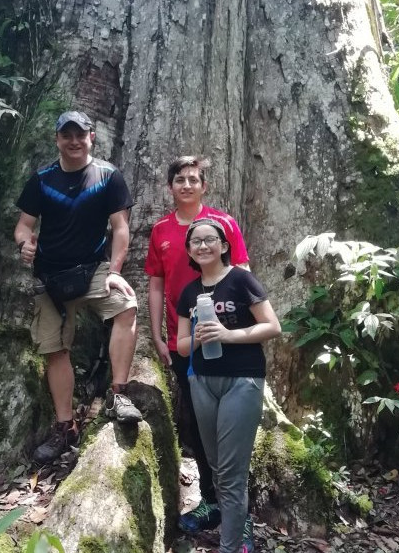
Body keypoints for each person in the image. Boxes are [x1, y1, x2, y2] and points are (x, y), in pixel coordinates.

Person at [14, 110, 142, 466]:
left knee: (126, 307)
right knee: (55, 348)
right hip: (50, 275)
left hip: (93, 269)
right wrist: (25, 242)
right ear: (57, 139)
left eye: (80, 135)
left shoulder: (107, 176)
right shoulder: (42, 179)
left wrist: (115, 271)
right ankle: (65, 426)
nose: (73, 141)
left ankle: (118, 394)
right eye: (66, 135)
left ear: (91, 138)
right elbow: (23, 225)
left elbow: (120, 228)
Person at [145, 156, 250, 533]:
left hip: (227, 339)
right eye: (179, 180)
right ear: (170, 187)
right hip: (183, 341)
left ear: (204, 186)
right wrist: (158, 334)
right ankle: (211, 500)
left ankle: (237, 506)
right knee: (199, 424)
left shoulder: (224, 225)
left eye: (193, 179)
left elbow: (242, 274)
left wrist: (238, 328)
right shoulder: (161, 231)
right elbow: (156, 283)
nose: (186, 185)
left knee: (230, 423)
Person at [177, 217, 281, 553]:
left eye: (211, 240)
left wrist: (227, 335)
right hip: (202, 381)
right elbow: (179, 344)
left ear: (224, 246)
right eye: (196, 241)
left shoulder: (241, 280)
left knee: (232, 472)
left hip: (242, 379)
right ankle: (235, 526)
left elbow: (272, 326)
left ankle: (231, 545)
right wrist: (196, 332)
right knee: (217, 466)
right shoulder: (189, 292)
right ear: (189, 250)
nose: (203, 245)